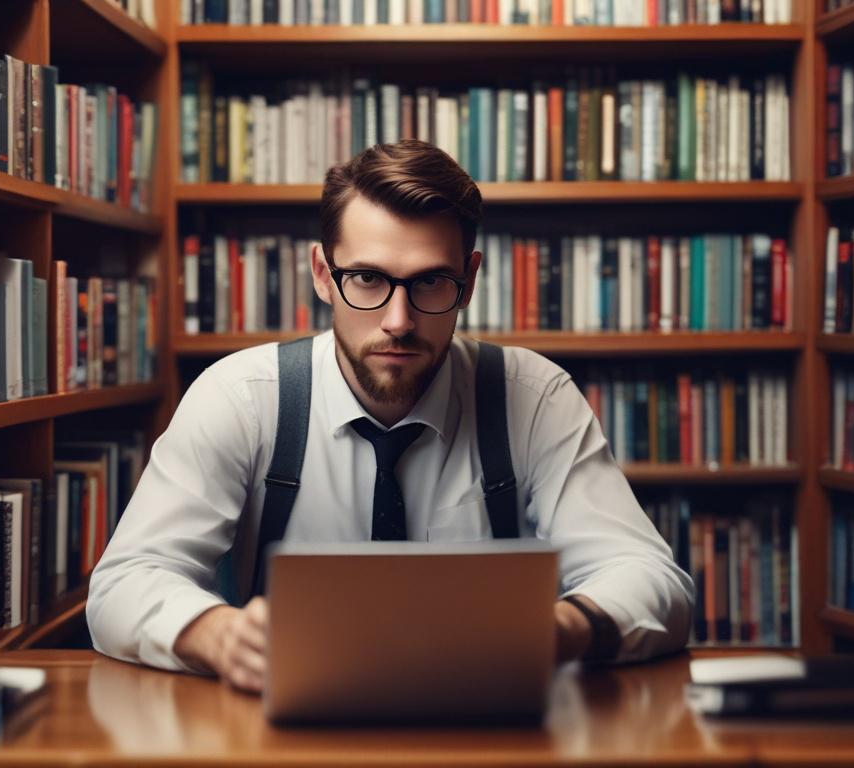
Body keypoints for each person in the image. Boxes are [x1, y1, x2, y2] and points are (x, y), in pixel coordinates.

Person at [87, 139, 694, 693]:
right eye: (369, 278)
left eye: (431, 282)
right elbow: (125, 581)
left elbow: (651, 579)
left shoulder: (533, 396)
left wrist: (562, 627)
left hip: (488, 739)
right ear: (324, 275)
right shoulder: (241, 397)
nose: (398, 320)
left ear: (470, 280)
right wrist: (219, 637)